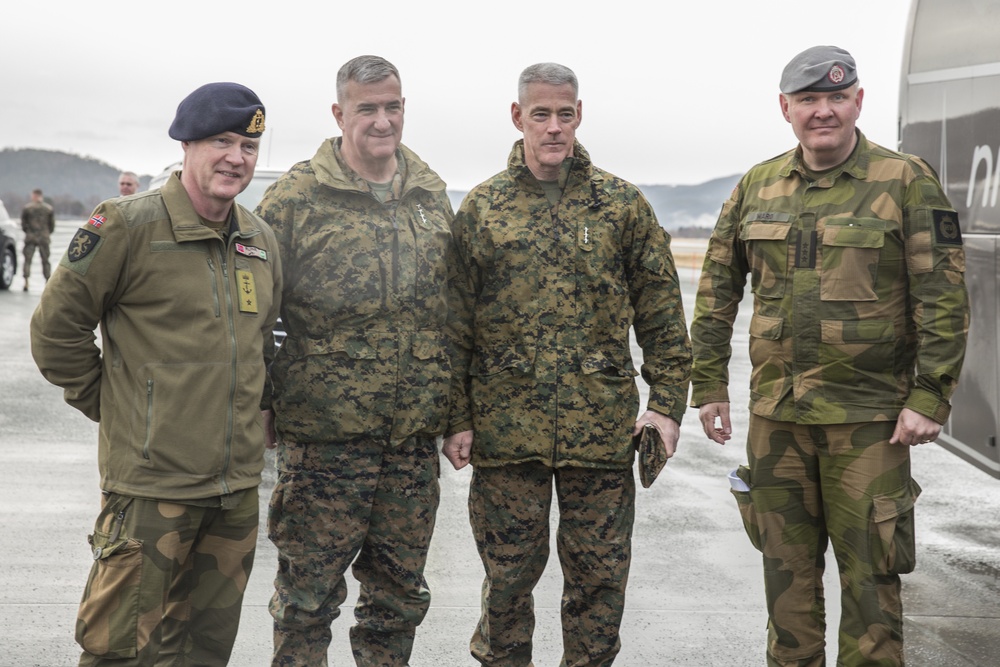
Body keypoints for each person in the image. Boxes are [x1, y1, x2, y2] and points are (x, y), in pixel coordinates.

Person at [689, 46, 969, 666]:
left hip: (868, 423)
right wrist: (708, 385)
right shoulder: (757, 185)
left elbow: (943, 297)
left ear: (858, 102)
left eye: (836, 98)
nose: (824, 112)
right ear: (785, 108)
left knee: (872, 591)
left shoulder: (904, 181)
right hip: (778, 420)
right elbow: (715, 291)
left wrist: (930, 397)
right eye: (809, 100)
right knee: (785, 588)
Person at [443, 62, 692, 666]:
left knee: (599, 588)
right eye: (540, 114)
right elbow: (453, 325)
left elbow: (661, 313)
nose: (553, 127)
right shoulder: (483, 210)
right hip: (506, 437)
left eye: (564, 113)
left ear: (579, 115)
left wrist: (665, 406)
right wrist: (456, 416)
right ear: (518, 116)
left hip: (600, 435)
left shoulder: (621, 205)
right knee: (505, 587)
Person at [29, 82, 282, 666]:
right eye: (222, 141)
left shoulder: (259, 240)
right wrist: (122, 407)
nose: (236, 158)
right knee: (119, 652)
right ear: (188, 144)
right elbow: (55, 334)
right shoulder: (125, 226)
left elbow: (260, 342)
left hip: (235, 492)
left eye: (249, 146)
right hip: (150, 490)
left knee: (204, 652)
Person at [256, 55, 463, 666]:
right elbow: (259, 312)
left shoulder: (430, 196)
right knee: (306, 601)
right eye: (367, 108)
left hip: (408, 445)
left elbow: (449, 314)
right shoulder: (296, 197)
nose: (381, 120)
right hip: (323, 444)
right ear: (339, 112)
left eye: (392, 106)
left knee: (398, 599)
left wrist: (455, 413)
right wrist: (266, 402)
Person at [20, 187, 55, 291]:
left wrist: (28, 231)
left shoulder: (27, 208)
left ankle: (26, 281)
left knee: (27, 260)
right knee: (45, 260)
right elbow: (52, 225)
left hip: (31, 237)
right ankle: (47, 281)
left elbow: (23, 224)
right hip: (44, 237)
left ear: (34, 195)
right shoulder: (48, 208)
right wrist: (46, 233)